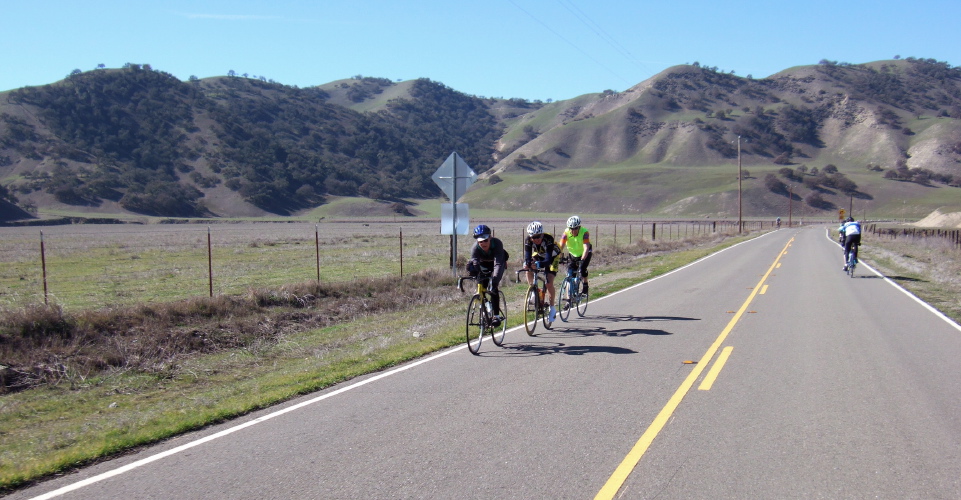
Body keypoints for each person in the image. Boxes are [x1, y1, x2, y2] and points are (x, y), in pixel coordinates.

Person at [467, 224, 508, 326]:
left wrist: (495, 279)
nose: (483, 243)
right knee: (481, 283)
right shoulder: (475, 248)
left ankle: (496, 316)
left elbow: (498, 264)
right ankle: (485, 306)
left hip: (498, 262)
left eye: (485, 240)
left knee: (493, 287)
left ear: (490, 237)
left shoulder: (497, 243)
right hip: (483, 264)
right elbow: (475, 262)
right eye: (480, 241)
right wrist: (475, 274)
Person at [523, 221, 560, 323]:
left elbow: (548, 260)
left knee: (549, 282)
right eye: (534, 237)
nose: (537, 239)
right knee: (528, 270)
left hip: (553, 256)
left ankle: (552, 308)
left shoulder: (548, 239)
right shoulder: (528, 241)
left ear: (542, 234)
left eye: (539, 236)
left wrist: (540, 264)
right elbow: (527, 256)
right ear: (530, 237)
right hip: (539, 254)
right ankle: (534, 292)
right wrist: (527, 263)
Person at [557, 215, 592, 297]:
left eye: (575, 228)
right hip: (573, 254)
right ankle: (569, 300)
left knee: (582, 269)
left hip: (584, 253)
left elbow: (586, 247)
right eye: (571, 229)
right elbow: (560, 246)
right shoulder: (566, 233)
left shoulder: (584, 232)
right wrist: (558, 257)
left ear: (579, 227)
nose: (573, 230)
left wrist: (582, 259)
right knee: (570, 275)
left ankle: (585, 287)